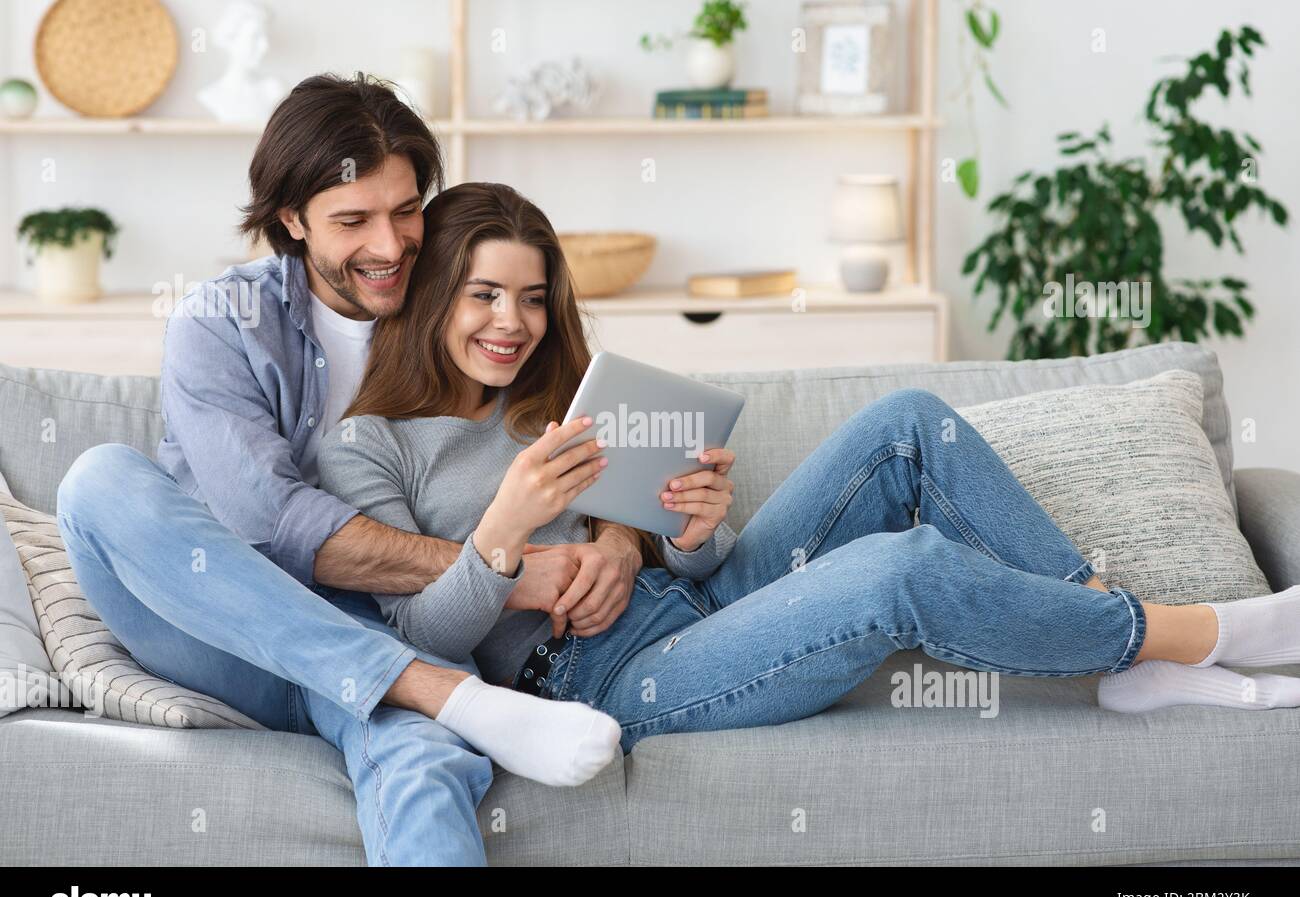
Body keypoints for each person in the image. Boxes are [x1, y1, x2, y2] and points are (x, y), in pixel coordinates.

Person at [318, 180, 1300, 772]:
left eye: (532, 297)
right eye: (483, 292)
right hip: (600, 678)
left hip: (699, 608)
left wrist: (690, 533)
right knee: (895, 570)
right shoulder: (370, 442)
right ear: (436, 290)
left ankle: (1116, 640)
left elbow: (698, 569)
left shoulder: (568, 396)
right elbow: (414, 642)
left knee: (906, 424)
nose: (511, 320)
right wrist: (501, 532)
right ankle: (1182, 634)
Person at [55, 76, 642, 868]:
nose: (390, 245)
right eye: (352, 220)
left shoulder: (464, 307)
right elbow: (269, 522)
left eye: (406, 211)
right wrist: (503, 573)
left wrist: (618, 541)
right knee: (97, 481)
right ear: (292, 221)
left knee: (424, 764)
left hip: (394, 627)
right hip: (230, 626)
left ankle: (438, 701)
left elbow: (580, 421)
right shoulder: (223, 323)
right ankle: (447, 695)